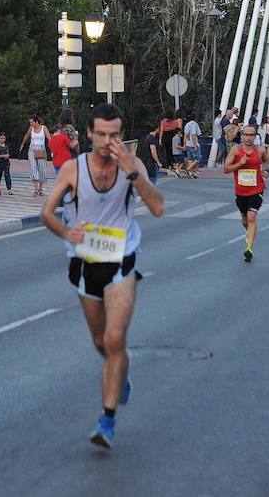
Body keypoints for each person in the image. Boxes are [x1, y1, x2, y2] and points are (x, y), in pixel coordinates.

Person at [41, 103, 164, 450]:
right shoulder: (72, 169)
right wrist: (67, 234)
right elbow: (47, 214)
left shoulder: (132, 165)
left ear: (121, 136)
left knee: (114, 339)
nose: (108, 141)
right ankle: (119, 372)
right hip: (85, 263)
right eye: (101, 134)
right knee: (100, 342)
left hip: (122, 258)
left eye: (114, 135)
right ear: (90, 134)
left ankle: (107, 420)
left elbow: (157, 207)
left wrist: (133, 171)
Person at [224, 125, 269, 262]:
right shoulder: (235, 150)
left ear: (255, 136)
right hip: (241, 191)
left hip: (257, 189)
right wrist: (239, 164)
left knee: (251, 217)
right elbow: (226, 168)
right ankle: (248, 231)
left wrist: (265, 170)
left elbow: (266, 160)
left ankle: (249, 248)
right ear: (242, 135)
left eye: (251, 135)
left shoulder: (260, 150)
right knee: (245, 219)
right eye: (246, 135)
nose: (248, 137)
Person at [19, 114, 52, 196]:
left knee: (42, 169)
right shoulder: (31, 128)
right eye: (30, 123)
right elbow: (26, 136)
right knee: (33, 168)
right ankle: (36, 188)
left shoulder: (44, 128)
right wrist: (22, 146)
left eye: (32, 122)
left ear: (36, 121)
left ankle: (41, 188)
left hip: (41, 149)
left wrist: (53, 149)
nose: (31, 124)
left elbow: (49, 138)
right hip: (32, 149)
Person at [50, 108, 80, 176]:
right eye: (72, 115)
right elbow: (74, 143)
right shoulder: (70, 128)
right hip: (69, 155)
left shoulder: (58, 128)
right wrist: (78, 154)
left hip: (58, 154)